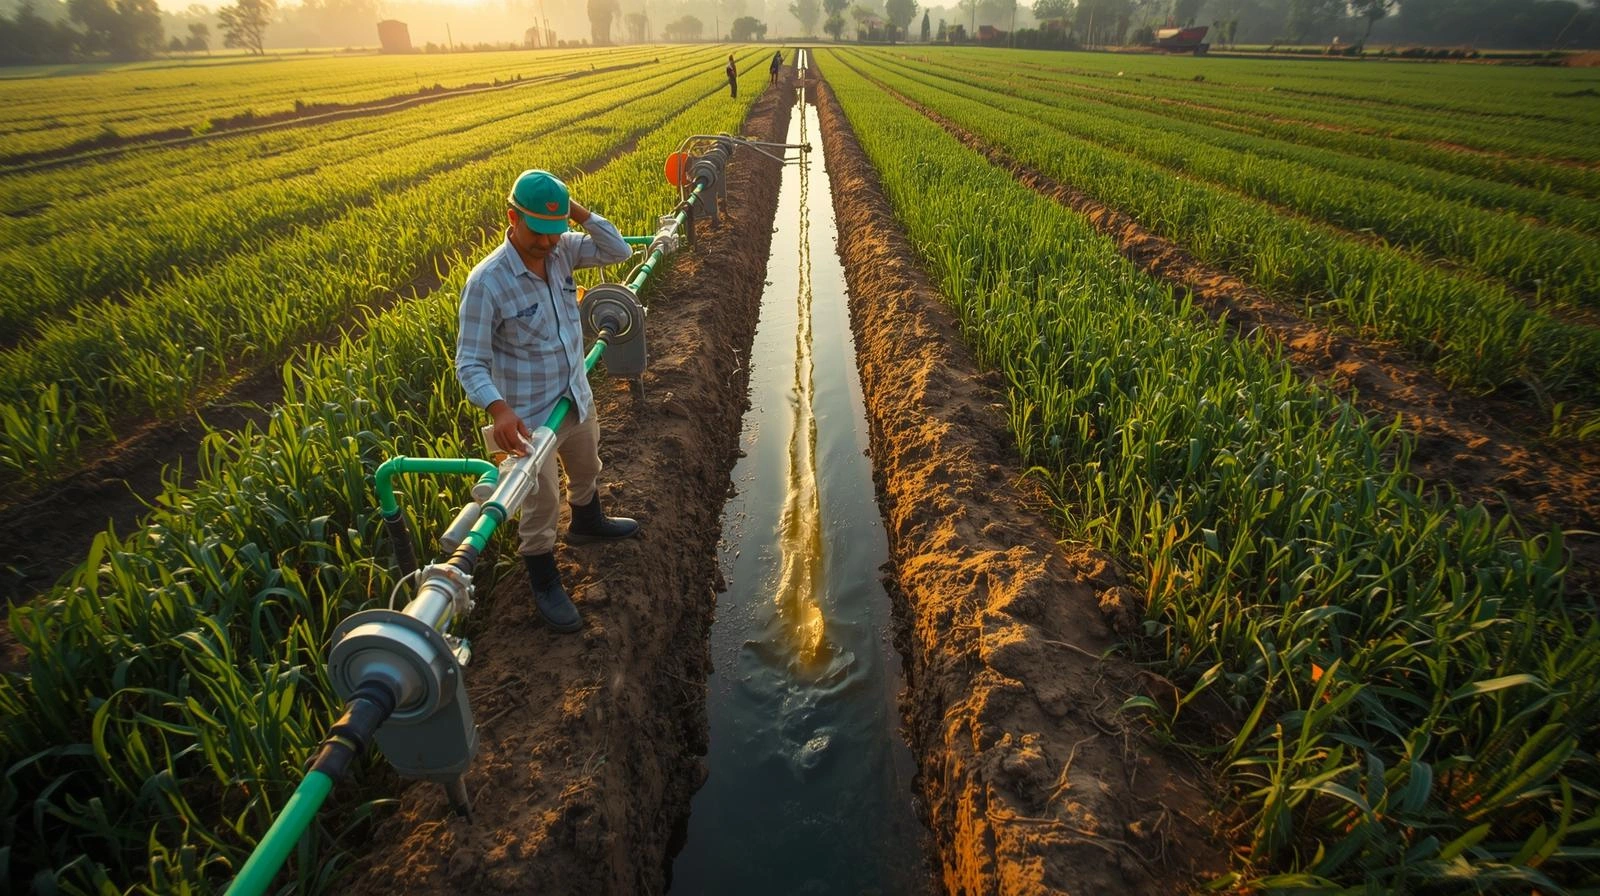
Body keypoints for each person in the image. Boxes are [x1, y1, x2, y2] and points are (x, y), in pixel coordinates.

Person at [456, 169, 639, 633]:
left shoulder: (562, 251)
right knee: (539, 505)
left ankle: (588, 521)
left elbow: (620, 250)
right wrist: (498, 408)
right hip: (529, 422)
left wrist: (571, 211)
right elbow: (470, 362)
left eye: (556, 232)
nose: (548, 243)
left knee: (587, 466)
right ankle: (543, 579)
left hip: (574, 397)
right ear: (512, 218)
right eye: (538, 231)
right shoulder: (487, 283)